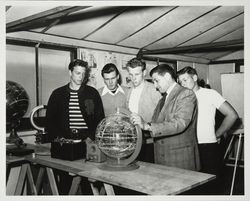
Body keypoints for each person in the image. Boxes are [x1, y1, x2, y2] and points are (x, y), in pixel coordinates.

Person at [45, 59, 105, 194]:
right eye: (78, 73)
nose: (81, 77)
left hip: (87, 142)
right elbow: (50, 121)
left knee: (87, 183)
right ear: (70, 72)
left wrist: (90, 138)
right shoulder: (57, 94)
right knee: (64, 184)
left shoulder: (92, 93)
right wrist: (59, 139)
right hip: (65, 143)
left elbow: (99, 119)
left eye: (83, 74)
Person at [131, 64, 200, 171]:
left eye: (156, 81)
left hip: (180, 158)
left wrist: (147, 126)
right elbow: (157, 123)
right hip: (162, 158)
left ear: (167, 76)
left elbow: (180, 123)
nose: (155, 85)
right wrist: (137, 127)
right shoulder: (162, 99)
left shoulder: (186, 93)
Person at [177, 66, 238, 176]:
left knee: (209, 183)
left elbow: (232, 115)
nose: (183, 84)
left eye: (185, 80)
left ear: (195, 77)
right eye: (180, 82)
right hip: (187, 146)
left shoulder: (210, 94)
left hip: (207, 145)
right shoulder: (181, 97)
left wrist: (218, 134)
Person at [126, 58, 161, 163]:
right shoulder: (129, 91)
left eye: (137, 74)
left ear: (144, 73)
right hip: (133, 142)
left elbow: (163, 117)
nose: (133, 78)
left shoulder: (155, 90)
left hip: (150, 142)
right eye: (131, 75)